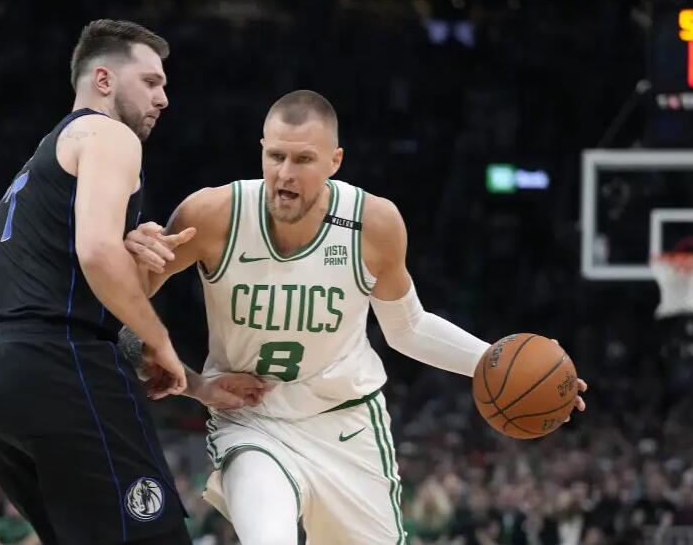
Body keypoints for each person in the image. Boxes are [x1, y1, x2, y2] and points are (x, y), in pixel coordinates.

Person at [123, 89, 588, 544]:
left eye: (303, 159)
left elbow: (407, 328)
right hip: (252, 423)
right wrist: (195, 382)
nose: (285, 173)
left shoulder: (373, 224)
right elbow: (121, 311)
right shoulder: (211, 215)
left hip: (346, 424)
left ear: (335, 161)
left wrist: (501, 364)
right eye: (276, 156)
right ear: (261, 150)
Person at [0, 19, 263, 545]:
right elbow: (95, 256)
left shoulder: (42, 161)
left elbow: (87, 297)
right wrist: (160, 338)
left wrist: (194, 385)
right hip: (55, 362)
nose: (164, 98)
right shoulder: (107, 134)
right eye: (151, 81)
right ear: (103, 79)